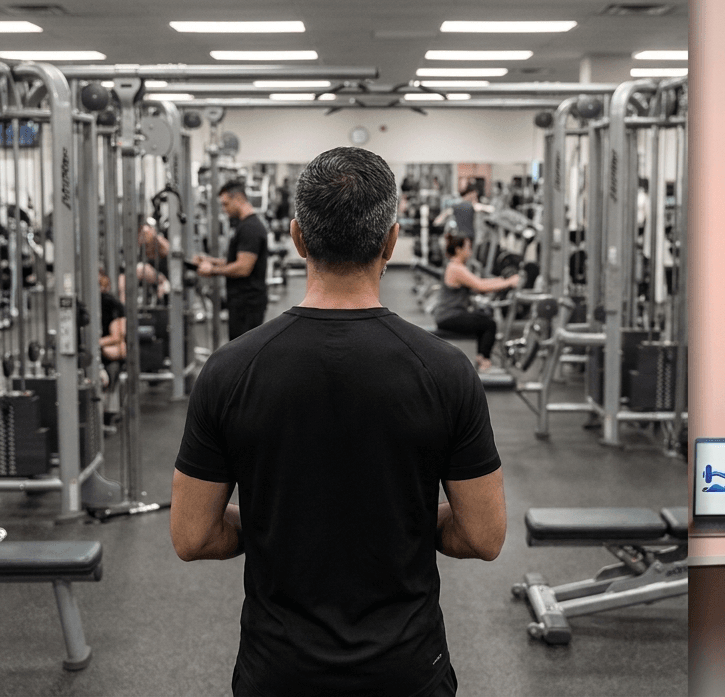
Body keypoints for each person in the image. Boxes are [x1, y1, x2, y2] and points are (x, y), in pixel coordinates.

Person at [170, 146, 506, 697]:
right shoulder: (446, 371)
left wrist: (277, 520)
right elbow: (484, 534)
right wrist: (405, 517)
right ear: (391, 242)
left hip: (278, 672)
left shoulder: (229, 370)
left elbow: (192, 535)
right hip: (407, 671)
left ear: (298, 238)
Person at [433, 233, 520, 372]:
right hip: (449, 316)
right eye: (468, 248)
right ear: (458, 250)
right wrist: (509, 282)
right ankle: (484, 361)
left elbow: (480, 284)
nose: (470, 252)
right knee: (489, 324)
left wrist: (503, 280)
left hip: (450, 314)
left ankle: (481, 359)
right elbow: (480, 286)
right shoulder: (456, 269)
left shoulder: (457, 266)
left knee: (483, 319)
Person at [193, 181, 269, 339]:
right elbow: (235, 260)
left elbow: (243, 268)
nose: (224, 209)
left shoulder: (250, 228)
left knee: (244, 353)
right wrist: (211, 260)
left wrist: (212, 270)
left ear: (238, 199)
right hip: (241, 302)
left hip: (248, 304)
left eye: (226, 204)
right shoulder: (245, 225)